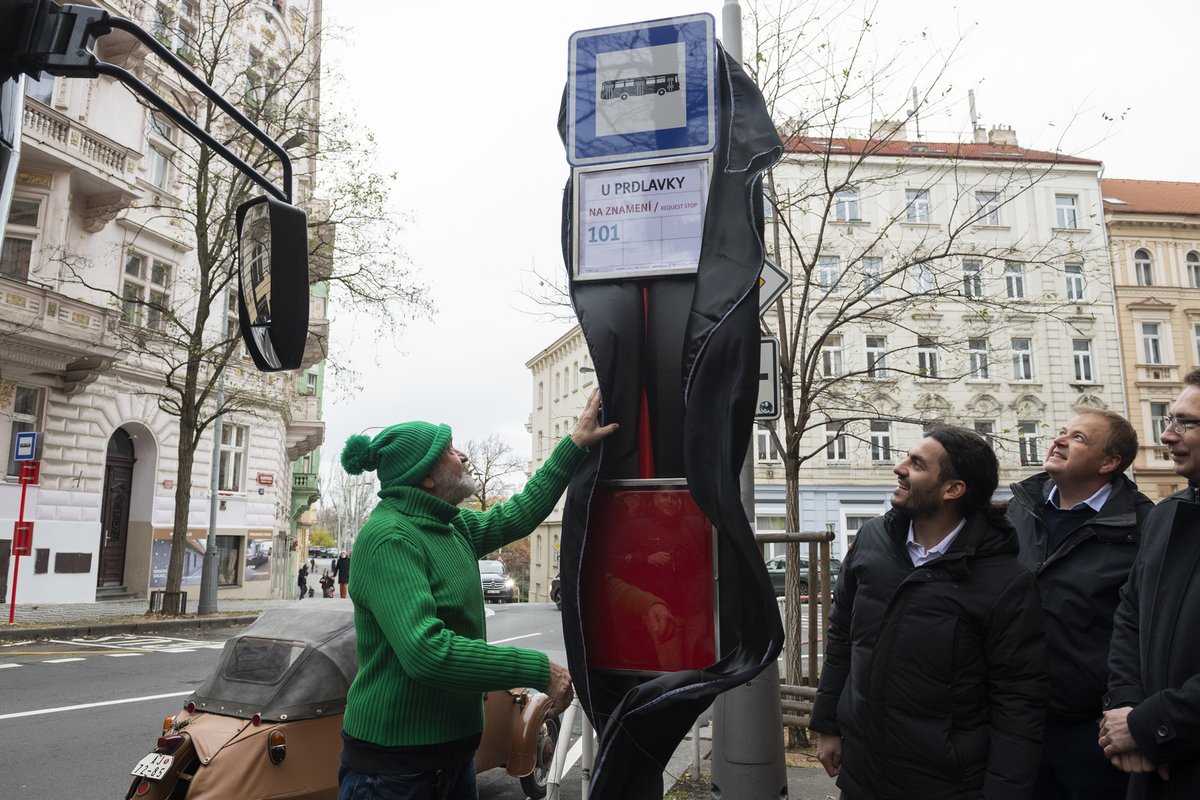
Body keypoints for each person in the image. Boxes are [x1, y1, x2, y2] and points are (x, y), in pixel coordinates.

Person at [336, 389, 617, 800]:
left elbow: (518, 513)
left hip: (452, 760)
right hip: (394, 773)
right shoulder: (389, 538)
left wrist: (574, 443)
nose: (463, 455)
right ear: (428, 475)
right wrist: (539, 669)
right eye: (450, 450)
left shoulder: (452, 527)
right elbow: (427, 653)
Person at [810, 426, 1048, 800]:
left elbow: (1018, 700)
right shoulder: (872, 540)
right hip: (864, 773)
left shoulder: (1006, 581)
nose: (898, 467)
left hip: (945, 782)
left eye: (917, 463)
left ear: (953, 489)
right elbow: (842, 637)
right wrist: (828, 725)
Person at [1007, 409, 1150, 800]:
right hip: (1015, 719)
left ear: (1109, 463)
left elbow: (1145, 629)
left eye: (1079, 438)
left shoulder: (1143, 527)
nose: (1060, 440)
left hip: (1094, 731)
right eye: (1062, 432)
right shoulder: (1021, 508)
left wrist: (1130, 711)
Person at [1101, 368, 1200, 797]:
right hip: (1155, 766)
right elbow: (1130, 616)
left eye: (1185, 423)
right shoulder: (1166, 516)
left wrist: (1148, 725)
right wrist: (1126, 710)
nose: (1167, 436)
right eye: (1168, 420)